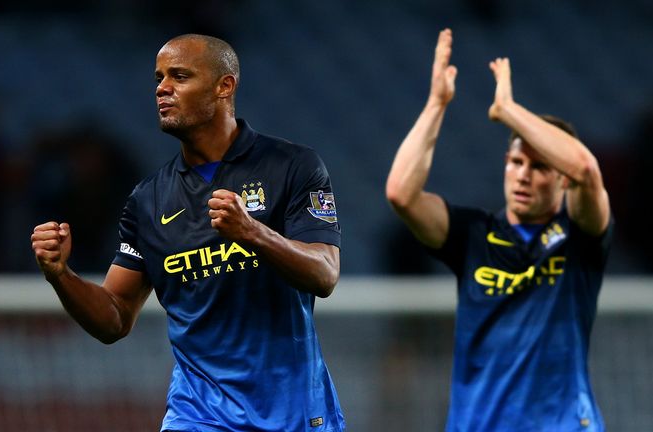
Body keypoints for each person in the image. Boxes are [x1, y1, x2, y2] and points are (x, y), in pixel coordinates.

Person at [31, 34, 345, 432]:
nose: (162, 88)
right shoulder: (148, 201)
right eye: (159, 78)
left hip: (294, 413)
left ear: (224, 86)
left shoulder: (293, 166)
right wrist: (61, 275)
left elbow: (324, 274)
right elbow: (114, 317)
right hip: (197, 415)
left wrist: (252, 232)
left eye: (179, 76)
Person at [385, 29, 612, 431]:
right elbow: (401, 193)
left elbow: (585, 169)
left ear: (561, 181)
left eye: (540, 166)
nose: (523, 176)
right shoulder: (472, 234)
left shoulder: (580, 234)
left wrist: (507, 108)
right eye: (515, 161)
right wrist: (437, 104)